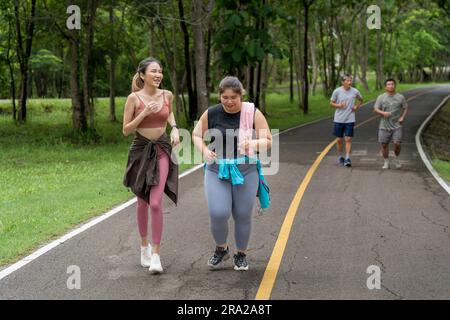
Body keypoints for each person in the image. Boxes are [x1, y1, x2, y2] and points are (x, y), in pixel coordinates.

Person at [192, 76, 272, 271]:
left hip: (246, 169)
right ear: (219, 96)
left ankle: (241, 254)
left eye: (233, 97)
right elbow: (195, 134)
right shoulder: (212, 113)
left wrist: (253, 143)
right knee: (218, 212)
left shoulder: (251, 112)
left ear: (241, 95)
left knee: (243, 214)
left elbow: (268, 140)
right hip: (216, 169)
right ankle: (222, 248)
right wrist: (204, 151)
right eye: (224, 97)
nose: (228, 101)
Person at [122, 57, 180, 274]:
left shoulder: (167, 95)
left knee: (155, 202)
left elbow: (169, 112)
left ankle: (156, 255)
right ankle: (143, 247)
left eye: (160, 71)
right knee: (142, 202)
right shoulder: (133, 98)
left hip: (162, 149)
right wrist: (144, 113)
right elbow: (126, 130)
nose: (158, 75)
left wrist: (174, 127)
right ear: (143, 75)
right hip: (140, 151)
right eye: (154, 71)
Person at [373, 78, 408, 169]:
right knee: (384, 145)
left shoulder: (400, 97)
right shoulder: (381, 97)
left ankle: (396, 158)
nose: (391, 86)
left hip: (397, 125)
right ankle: (386, 162)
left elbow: (405, 107)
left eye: (392, 84)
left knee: (397, 143)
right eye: (388, 84)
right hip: (384, 125)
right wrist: (383, 113)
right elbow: (376, 109)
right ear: (385, 87)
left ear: (395, 85)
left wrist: (402, 117)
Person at [330, 74, 363, 167]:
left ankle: (347, 158)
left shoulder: (355, 91)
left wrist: (356, 106)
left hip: (350, 119)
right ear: (342, 82)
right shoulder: (337, 91)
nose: (349, 82)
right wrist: (339, 105)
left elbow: (361, 99)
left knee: (348, 138)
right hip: (338, 119)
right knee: (339, 140)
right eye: (347, 81)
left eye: (350, 80)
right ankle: (341, 157)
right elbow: (331, 103)